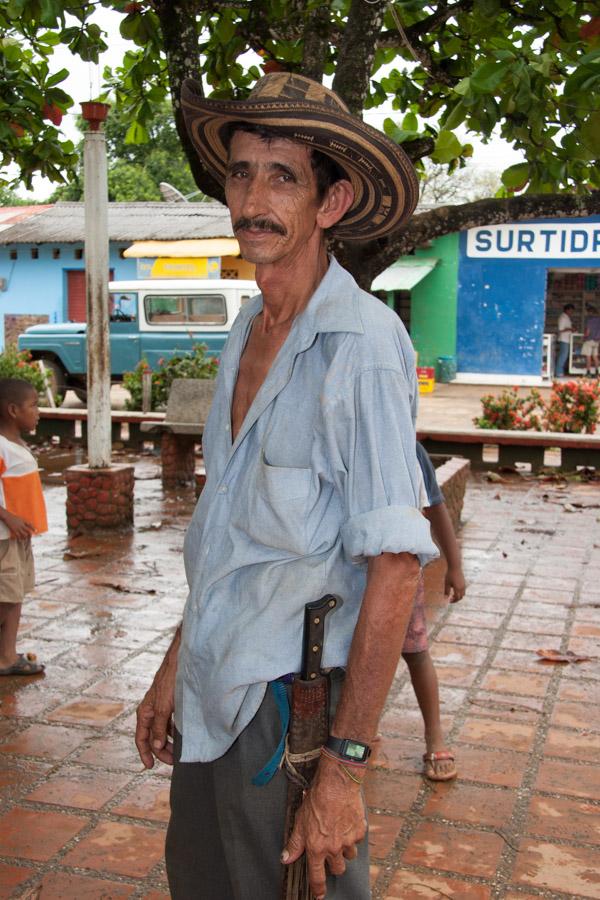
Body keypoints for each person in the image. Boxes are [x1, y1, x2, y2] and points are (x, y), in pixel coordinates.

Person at [135, 72, 438, 900]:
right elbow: (228, 533)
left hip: (289, 712)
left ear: (330, 204)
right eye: (240, 173)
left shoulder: (362, 347)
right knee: (204, 883)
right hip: (213, 688)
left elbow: (398, 566)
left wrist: (345, 769)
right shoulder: (249, 326)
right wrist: (173, 667)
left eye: (283, 177)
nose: (253, 199)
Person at [402, 443, 465, 782]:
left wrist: (454, 565)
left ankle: (434, 736)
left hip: (402, 573)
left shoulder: (413, 451)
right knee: (357, 658)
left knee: (416, 653)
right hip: (352, 576)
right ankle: (360, 730)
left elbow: (437, 508)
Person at [0, 378, 47, 676]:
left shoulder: (16, 444)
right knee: (5, 598)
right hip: (4, 538)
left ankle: (7, 655)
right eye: (34, 405)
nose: (39, 411)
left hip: (17, 539)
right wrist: (7, 516)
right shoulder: (1, 446)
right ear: (13, 410)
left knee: (14, 597)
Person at [556, 303, 575, 376]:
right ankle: (559, 372)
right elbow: (560, 329)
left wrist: (571, 329)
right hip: (563, 339)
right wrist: (570, 328)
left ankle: (560, 371)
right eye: (571, 311)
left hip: (566, 339)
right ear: (567, 310)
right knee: (563, 356)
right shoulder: (563, 317)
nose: (572, 312)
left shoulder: (566, 317)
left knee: (564, 355)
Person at [582, 304, 600, 377]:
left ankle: (588, 372)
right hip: (597, 340)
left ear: (590, 312)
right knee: (595, 357)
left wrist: (584, 337)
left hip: (589, 340)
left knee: (588, 356)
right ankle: (597, 372)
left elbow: (588, 331)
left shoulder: (589, 320)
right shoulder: (599, 319)